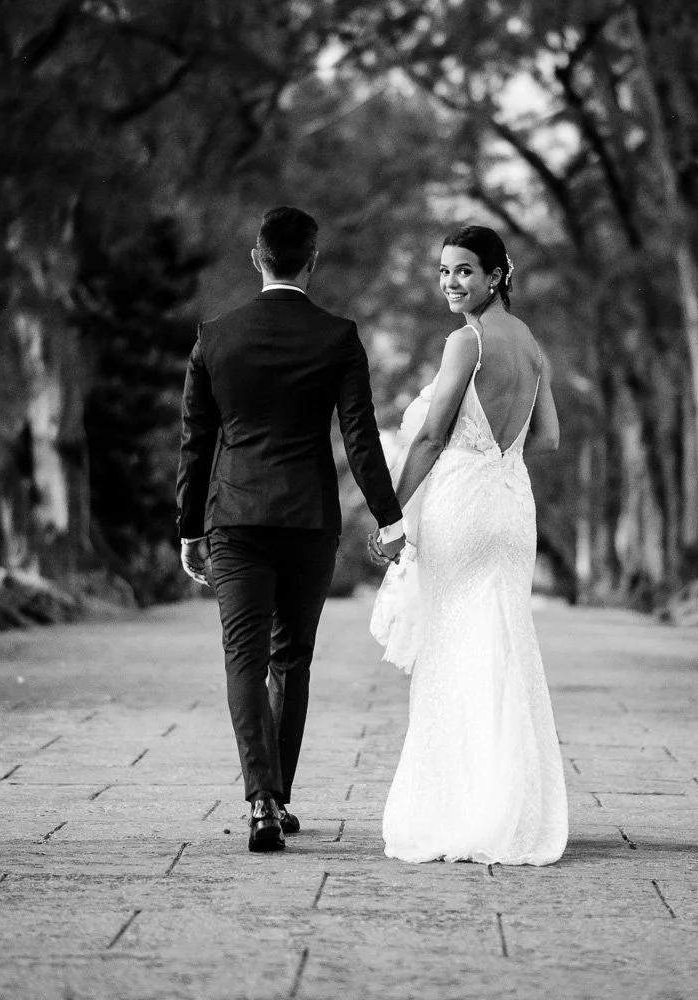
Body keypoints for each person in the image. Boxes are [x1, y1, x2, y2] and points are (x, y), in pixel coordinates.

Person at [177, 206, 406, 853]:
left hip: (235, 519)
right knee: (290, 660)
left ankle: (261, 800)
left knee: (244, 658)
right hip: (308, 520)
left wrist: (189, 529)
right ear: (313, 262)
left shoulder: (215, 336)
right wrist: (390, 517)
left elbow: (195, 442)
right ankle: (275, 797)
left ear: (257, 258)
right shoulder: (338, 337)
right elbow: (360, 438)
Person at [372, 224, 569, 866]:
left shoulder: (468, 341)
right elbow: (548, 439)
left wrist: (391, 514)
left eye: (463, 271)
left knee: (456, 645)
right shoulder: (530, 344)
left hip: (462, 504)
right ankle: (513, 805)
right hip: (511, 504)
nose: (451, 282)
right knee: (505, 642)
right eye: (444, 271)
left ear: (495, 276)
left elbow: (431, 437)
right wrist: (496, 449)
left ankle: (464, 806)